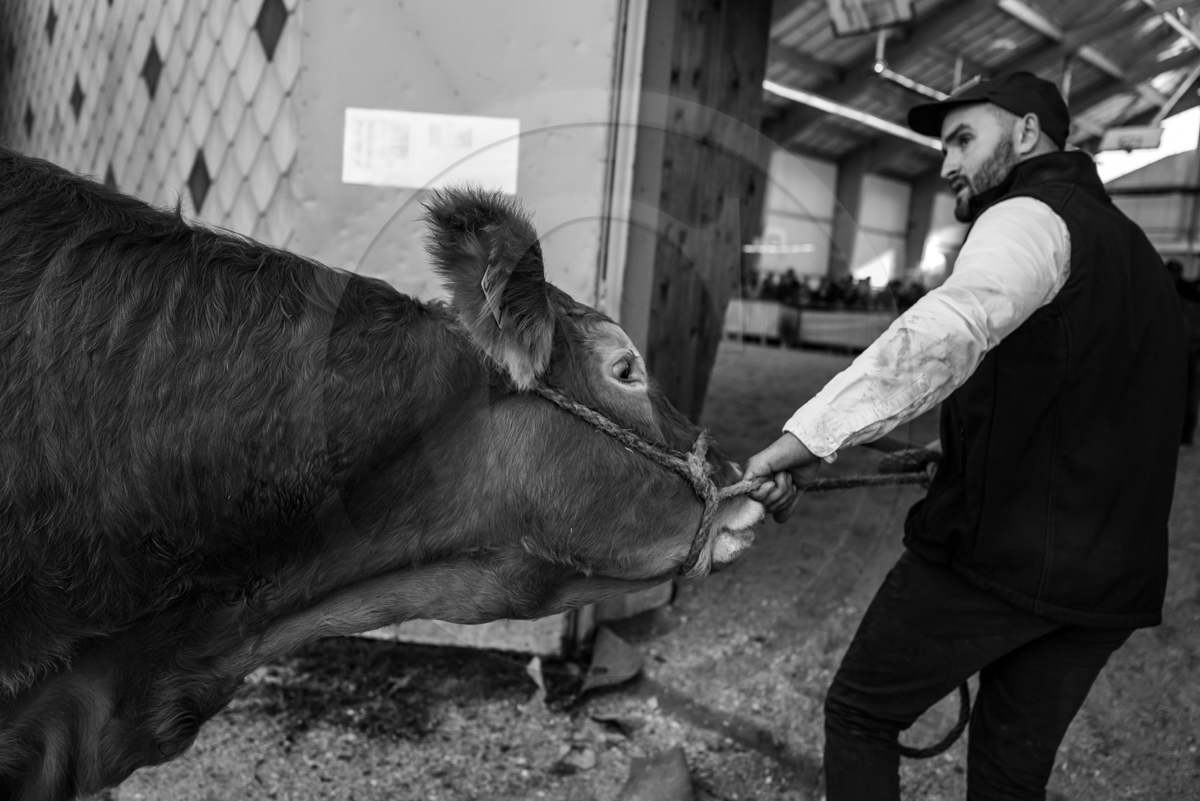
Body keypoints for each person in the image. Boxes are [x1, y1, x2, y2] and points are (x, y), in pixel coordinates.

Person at [743, 72, 1187, 800]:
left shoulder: (1027, 216)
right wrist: (961, 449)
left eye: (962, 139)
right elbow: (1092, 405)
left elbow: (942, 335)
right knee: (1010, 777)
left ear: (1025, 133)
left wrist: (804, 439)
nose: (946, 162)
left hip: (1003, 560)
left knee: (859, 713)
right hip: (1107, 583)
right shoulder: (1135, 252)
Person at [1166, 260, 1200, 444]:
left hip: (1186, 352)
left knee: (1185, 395)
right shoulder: (1189, 296)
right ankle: (1182, 433)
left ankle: (1184, 433)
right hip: (1184, 351)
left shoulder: (1184, 297)